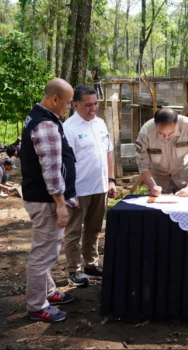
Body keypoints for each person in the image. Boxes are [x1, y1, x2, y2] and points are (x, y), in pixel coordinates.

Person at [19, 78, 76, 323]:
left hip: (42, 198)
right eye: (67, 102)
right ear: (54, 99)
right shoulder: (45, 125)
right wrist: (61, 204)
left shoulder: (40, 117)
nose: (68, 107)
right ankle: (36, 306)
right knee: (43, 254)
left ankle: (48, 292)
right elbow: (51, 171)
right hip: (46, 201)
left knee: (47, 250)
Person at [63, 85, 118, 288]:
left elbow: (108, 153)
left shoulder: (101, 124)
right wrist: (69, 192)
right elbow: (64, 164)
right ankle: (73, 270)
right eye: (88, 105)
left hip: (100, 186)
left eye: (95, 104)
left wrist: (111, 180)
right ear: (75, 105)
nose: (93, 109)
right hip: (79, 189)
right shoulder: (69, 128)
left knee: (94, 229)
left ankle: (90, 265)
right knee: (74, 231)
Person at [136, 108, 188, 197]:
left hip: (183, 178)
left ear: (176, 124)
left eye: (171, 133)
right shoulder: (146, 133)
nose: (166, 137)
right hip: (157, 181)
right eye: (161, 134)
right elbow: (142, 164)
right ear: (156, 126)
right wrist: (152, 186)